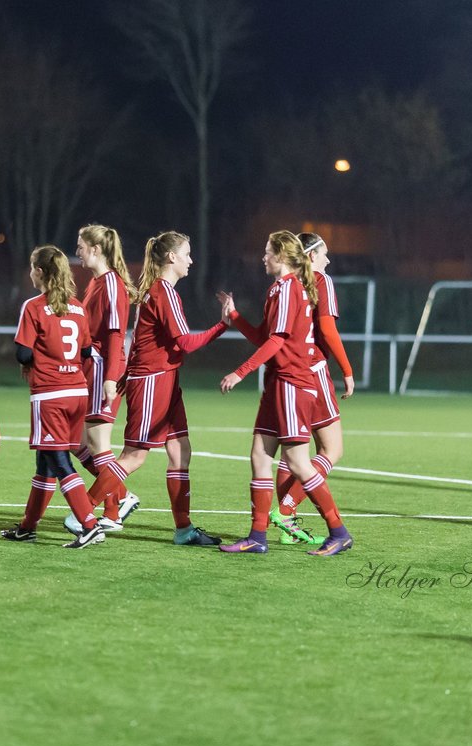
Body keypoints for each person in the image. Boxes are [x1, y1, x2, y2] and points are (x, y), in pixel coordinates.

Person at [82, 231, 225, 547]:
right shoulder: (164, 292)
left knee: (180, 452)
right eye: (187, 253)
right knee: (134, 456)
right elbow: (184, 342)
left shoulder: (156, 291)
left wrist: (127, 372)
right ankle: (82, 515)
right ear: (172, 257)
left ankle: (184, 529)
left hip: (165, 380)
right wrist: (222, 326)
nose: (191, 260)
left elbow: (141, 340)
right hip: (153, 381)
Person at [217, 231, 353, 556]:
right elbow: (266, 338)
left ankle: (338, 531)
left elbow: (276, 342)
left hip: (293, 383)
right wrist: (234, 317)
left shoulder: (290, 287)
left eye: (267, 252)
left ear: (282, 255)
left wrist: (240, 372)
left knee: (296, 460)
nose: (263, 257)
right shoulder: (282, 288)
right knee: (259, 457)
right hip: (279, 382)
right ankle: (257, 536)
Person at [0, 245, 104, 549]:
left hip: (51, 394)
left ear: (41, 272)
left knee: (59, 460)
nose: (31, 273)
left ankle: (89, 524)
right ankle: (27, 527)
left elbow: (23, 353)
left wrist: (37, 362)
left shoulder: (34, 306)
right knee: (45, 461)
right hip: (77, 392)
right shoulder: (77, 306)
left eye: (33, 267)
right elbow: (86, 351)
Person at [270, 232, 355, 545]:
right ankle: (285, 509)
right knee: (331, 450)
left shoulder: (283, 284)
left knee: (291, 452)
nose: (328, 260)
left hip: (284, 373)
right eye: (323, 254)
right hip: (313, 372)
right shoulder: (319, 279)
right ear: (309, 257)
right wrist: (347, 370)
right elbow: (328, 330)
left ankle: (287, 523)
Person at [64, 224, 139, 534]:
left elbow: (114, 334)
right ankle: (120, 498)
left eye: (81, 246)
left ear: (95, 249)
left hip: (102, 369)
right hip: (91, 368)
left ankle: (113, 508)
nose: (78, 251)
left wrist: (110, 378)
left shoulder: (111, 284)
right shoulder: (97, 282)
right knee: (76, 440)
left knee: (97, 443)